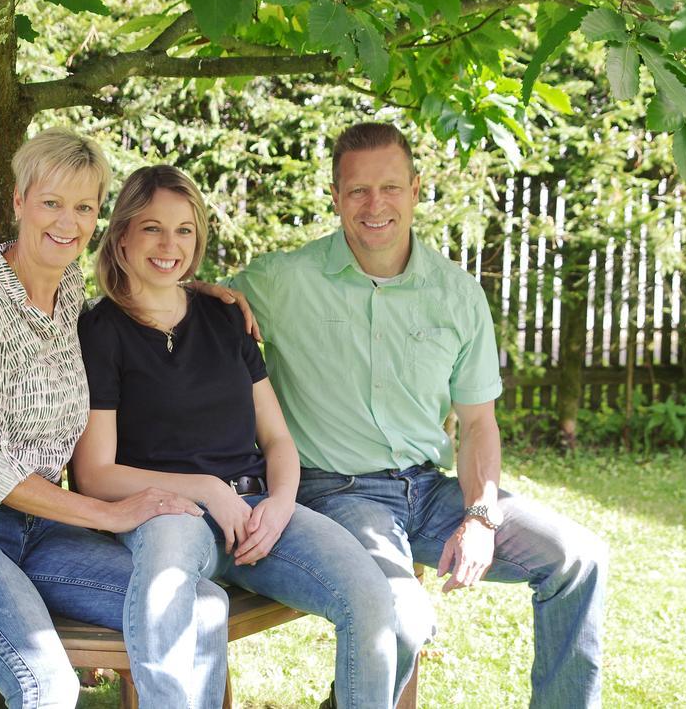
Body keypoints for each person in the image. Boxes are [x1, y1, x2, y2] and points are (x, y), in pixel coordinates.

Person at [227, 122, 609, 708]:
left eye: (390, 187)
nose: (374, 205)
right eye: (357, 190)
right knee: (402, 620)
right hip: (336, 493)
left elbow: (479, 424)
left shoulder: (456, 294)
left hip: (430, 493)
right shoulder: (282, 281)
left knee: (577, 559)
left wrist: (481, 515)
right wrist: (212, 294)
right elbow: (180, 300)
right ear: (335, 196)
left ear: (415, 188)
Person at [0, 127, 213, 709]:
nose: (68, 222)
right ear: (18, 202)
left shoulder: (67, 291)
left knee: (199, 609)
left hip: (35, 532)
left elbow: (140, 290)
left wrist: (202, 295)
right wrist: (110, 514)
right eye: (51, 203)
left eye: (84, 207)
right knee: (48, 685)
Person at [73, 165, 400, 709]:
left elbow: (276, 439)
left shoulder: (225, 317)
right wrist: (204, 488)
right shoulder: (100, 331)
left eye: (184, 230)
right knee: (166, 601)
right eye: (152, 228)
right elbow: (95, 473)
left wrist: (280, 503)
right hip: (165, 514)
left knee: (370, 599)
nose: (168, 245)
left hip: (255, 512)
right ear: (123, 233)